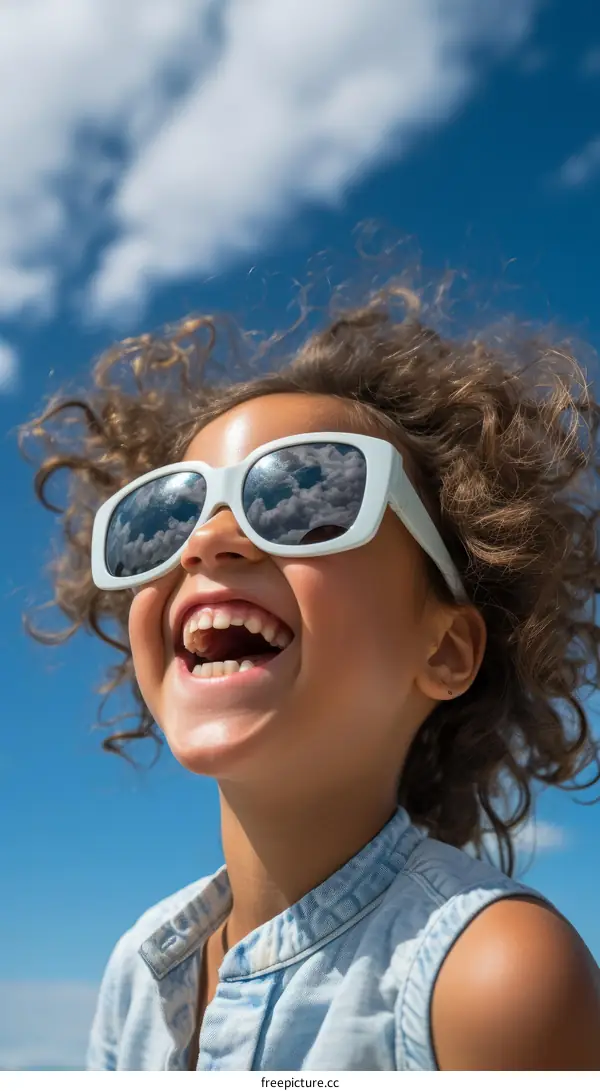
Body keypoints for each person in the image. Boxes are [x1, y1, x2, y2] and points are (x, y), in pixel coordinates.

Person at [21, 281, 600, 1071]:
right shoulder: (139, 969)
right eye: (164, 517)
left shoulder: (493, 978)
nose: (205, 543)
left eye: (306, 495)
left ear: (445, 650)